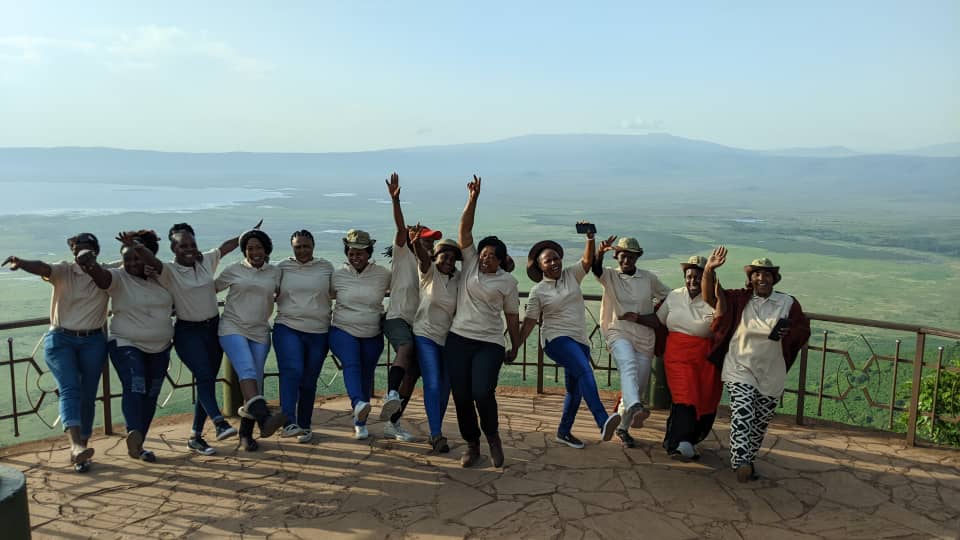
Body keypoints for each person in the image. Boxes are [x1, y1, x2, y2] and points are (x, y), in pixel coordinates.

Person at [135, 222, 254, 455]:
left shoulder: (206, 260)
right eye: (182, 245)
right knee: (204, 375)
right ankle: (219, 422)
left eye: (192, 244)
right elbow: (150, 260)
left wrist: (248, 233)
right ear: (174, 249)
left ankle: (195, 436)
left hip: (213, 329)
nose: (188, 248)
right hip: (188, 332)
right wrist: (135, 246)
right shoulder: (168, 270)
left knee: (207, 381)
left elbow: (226, 247)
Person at [701, 247, 811, 482]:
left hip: (771, 371)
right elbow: (710, 297)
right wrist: (709, 269)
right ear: (750, 279)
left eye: (767, 274)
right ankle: (740, 460)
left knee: (759, 421)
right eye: (757, 274)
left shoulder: (788, 302)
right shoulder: (738, 300)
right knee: (743, 410)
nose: (762, 278)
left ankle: (749, 461)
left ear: (774, 278)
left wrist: (787, 333)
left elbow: (802, 330)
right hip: (739, 365)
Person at [3, 233, 109, 472]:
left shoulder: (105, 273)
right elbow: (43, 267)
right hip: (62, 339)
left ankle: (83, 448)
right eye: (75, 250)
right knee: (70, 388)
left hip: (93, 340)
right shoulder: (64, 270)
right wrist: (21, 262)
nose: (79, 254)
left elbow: (132, 271)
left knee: (88, 395)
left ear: (95, 251)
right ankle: (75, 447)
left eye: (84, 250)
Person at [519, 228, 622, 449]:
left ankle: (564, 432)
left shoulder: (571, 275)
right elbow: (529, 321)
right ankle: (602, 421)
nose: (554, 263)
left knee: (574, 390)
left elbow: (586, 261)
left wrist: (590, 238)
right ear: (540, 266)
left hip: (580, 339)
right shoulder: (538, 291)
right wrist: (515, 345)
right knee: (585, 370)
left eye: (556, 258)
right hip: (555, 339)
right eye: (548, 261)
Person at [444, 175, 521, 468]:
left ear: (501, 260)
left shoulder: (508, 282)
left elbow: (512, 317)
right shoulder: (471, 264)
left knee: (482, 392)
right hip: (459, 338)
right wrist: (472, 199)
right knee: (461, 396)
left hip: (489, 342)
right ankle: (471, 444)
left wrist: (515, 347)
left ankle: (492, 437)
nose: (486, 258)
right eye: (484, 253)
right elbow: (464, 229)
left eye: (492, 256)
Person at [82, 231, 173, 462]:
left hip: (160, 345)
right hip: (126, 341)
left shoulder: (163, 275)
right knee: (136, 385)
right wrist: (89, 264)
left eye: (137, 258)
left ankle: (139, 445)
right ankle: (134, 430)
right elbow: (102, 278)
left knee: (152, 394)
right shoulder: (118, 276)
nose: (132, 264)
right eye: (127, 259)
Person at [592, 235, 672, 448]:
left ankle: (622, 425)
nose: (626, 260)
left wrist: (656, 317)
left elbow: (669, 296)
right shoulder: (610, 276)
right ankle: (636, 405)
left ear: (637, 257)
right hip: (618, 332)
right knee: (628, 365)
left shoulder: (648, 279)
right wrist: (599, 252)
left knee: (639, 383)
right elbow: (596, 269)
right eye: (623, 256)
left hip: (644, 337)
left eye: (631, 256)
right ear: (617, 256)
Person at [380, 172, 442, 442]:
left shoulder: (431, 268)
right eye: (425, 240)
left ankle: (393, 421)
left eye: (431, 241)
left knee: (413, 374)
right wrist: (396, 201)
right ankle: (391, 393)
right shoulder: (403, 254)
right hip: (397, 318)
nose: (428, 244)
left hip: (420, 325)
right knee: (405, 348)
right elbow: (400, 228)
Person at [215, 229, 285, 451]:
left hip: (260, 331)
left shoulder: (275, 272)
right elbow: (211, 289)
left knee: (256, 382)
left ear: (266, 250)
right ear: (244, 251)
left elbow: (283, 292)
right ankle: (264, 419)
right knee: (247, 371)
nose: (255, 252)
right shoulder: (233, 270)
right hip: (232, 327)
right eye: (250, 248)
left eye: (259, 248)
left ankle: (246, 435)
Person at [329, 229, 391, 440]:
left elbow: (404, 289)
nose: (355, 257)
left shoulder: (383, 274)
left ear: (369, 253)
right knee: (352, 364)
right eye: (351, 252)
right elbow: (320, 295)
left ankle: (360, 423)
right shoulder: (337, 275)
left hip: (372, 332)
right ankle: (358, 403)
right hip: (342, 329)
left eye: (360, 253)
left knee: (366, 374)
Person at [657, 255, 720, 460]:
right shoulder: (674, 296)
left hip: (706, 360)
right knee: (685, 394)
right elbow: (658, 321)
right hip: (677, 355)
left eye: (698, 277)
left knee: (703, 399)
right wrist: (636, 318)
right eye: (689, 276)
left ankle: (685, 440)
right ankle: (680, 442)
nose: (692, 281)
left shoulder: (716, 300)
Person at [274, 230, 334, 444]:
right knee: (293, 370)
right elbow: (265, 288)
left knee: (309, 381)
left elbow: (337, 291)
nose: (302, 250)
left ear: (313, 246)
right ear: (292, 247)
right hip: (287, 326)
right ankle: (289, 421)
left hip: (318, 331)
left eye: (305, 246)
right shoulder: (281, 267)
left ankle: (305, 425)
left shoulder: (326, 267)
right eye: (298, 246)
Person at [410, 231, 462, 454]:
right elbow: (422, 258)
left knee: (445, 387)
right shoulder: (429, 273)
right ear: (436, 257)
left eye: (452, 258)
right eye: (444, 257)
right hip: (425, 334)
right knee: (431, 383)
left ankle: (435, 429)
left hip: (448, 338)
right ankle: (436, 434)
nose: (448, 262)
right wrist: (416, 244)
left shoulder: (459, 278)